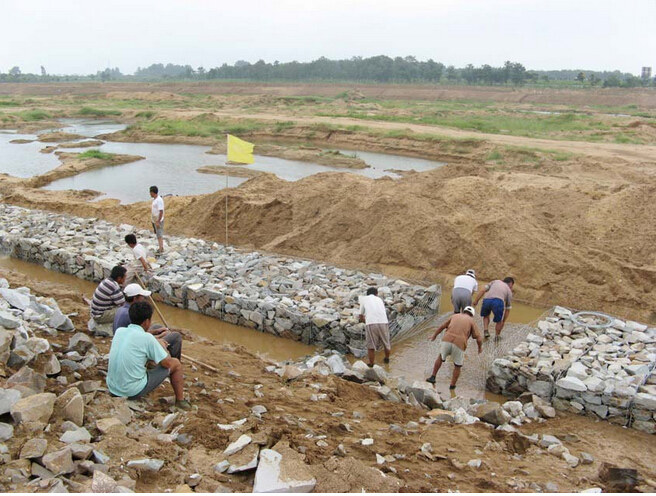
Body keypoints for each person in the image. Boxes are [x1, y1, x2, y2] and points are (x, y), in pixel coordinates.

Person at [107, 301, 191, 410]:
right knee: (176, 363)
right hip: (130, 391)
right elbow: (167, 363)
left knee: (145, 356)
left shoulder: (120, 331)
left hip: (113, 388)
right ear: (147, 321)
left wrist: (156, 338)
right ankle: (180, 401)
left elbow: (139, 340)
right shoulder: (147, 338)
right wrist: (162, 346)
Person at [113, 283, 183, 360]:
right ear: (135, 298)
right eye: (141, 297)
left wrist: (156, 331)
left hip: (130, 339)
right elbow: (140, 338)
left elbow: (137, 333)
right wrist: (160, 336)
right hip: (135, 346)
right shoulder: (130, 314)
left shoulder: (122, 309)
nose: (143, 299)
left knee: (157, 327)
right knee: (176, 336)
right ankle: (171, 360)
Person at [426, 306, 482, 389]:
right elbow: (478, 338)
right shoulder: (471, 321)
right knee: (457, 365)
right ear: (472, 315)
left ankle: (433, 377)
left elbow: (442, 326)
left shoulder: (454, 316)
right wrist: (479, 348)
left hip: (447, 339)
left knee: (440, 357)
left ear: (463, 311)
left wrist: (434, 336)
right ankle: (452, 385)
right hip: (459, 343)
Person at [358, 287, 391, 367]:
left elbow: (361, 315)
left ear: (367, 294)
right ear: (376, 294)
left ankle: (371, 364)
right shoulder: (379, 300)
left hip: (371, 323)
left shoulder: (364, 299)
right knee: (386, 343)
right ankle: (387, 359)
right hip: (384, 322)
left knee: (371, 346)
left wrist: (364, 321)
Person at [150, 185, 165, 254]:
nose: (150, 194)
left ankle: (161, 248)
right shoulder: (155, 200)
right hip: (154, 219)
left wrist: (158, 221)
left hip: (158, 220)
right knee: (157, 233)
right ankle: (160, 247)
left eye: (150, 192)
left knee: (159, 234)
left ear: (153, 192)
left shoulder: (159, 200)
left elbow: (161, 211)